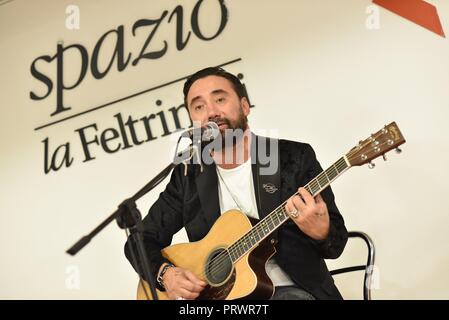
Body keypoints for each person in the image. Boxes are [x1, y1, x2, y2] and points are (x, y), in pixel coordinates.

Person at [124, 66, 348, 300]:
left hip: (293, 291)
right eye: (199, 107)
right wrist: (165, 275)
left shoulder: (292, 157)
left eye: (219, 99)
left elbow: (337, 243)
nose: (211, 112)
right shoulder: (188, 174)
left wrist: (322, 233)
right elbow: (139, 241)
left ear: (244, 106)